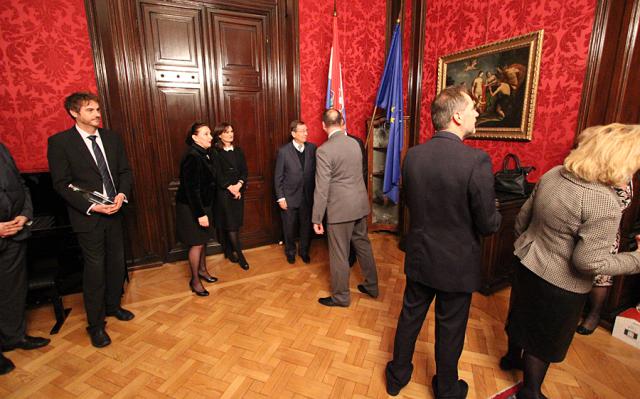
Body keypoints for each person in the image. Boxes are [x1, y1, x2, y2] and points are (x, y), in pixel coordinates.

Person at [500, 123, 640, 399]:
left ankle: (511, 359)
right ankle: (530, 392)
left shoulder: (554, 174)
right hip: (560, 285)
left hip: (526, 262)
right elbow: (587, 263)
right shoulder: (604, 201)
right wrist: (636, 259)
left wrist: (529, 251)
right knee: (544, 340)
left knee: (521, 317)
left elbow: (521, 221)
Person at [385, 86, 502, 398]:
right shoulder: (476, 161)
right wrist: (497, 214)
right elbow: (488, 224)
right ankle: (447, 389)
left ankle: (397, 376)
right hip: (456, 263)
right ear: (457, 116)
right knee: (450, 329)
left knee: (410, 316)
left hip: (421, 255)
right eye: (473, 109)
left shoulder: (412, 156)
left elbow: (410, 203)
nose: (478, 113)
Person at [47, 92, 133, 348]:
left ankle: (112, 306)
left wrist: (121, 194)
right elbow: (61, 184)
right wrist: (93, 207)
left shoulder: (111, 138)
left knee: (116, 264)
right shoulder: (60, 143)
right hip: (88, 218)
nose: (97, 114)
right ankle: (95, 325)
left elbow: (124, 171)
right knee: (95, 272)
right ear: (74, 113)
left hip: (115, 213)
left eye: (97, 109)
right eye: (90, 110)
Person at [311, 108, 378, 307]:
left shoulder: (323, 150)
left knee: (339, 253)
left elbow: (321, 188)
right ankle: (372, 286)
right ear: (342, 122)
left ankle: (341, 297)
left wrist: (316, 218)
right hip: (359, 205)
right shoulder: (355, 144)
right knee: (363, 245)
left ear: (323, 126)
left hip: (340, 210)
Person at [0, 143, 50, 375]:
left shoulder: (2, 148)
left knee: (13, 290)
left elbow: (20, 185)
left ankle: (14, 336)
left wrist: (24, 215)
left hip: (15, 233)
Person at [175, 122, 218, 297]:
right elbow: (191, 189)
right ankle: (195, 280)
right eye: (206, 134)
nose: (211, 137)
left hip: (203, 205)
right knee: (197, 242)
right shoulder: (192, 156)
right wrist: (200, 213)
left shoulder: (205, 154)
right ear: (195, 137)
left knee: (203, 240)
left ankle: (202, 271)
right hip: (191, 207)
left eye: (210, 134)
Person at [274, 120, 316, 264]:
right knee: (289, 228)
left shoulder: (312, 149)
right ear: (293, 134)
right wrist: (281, 198)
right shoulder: (283, 152)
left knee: (306, 227)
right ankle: (290, 251)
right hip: (289, 198)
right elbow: (278, 177)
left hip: (307, 197)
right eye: (302, 131)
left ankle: (304, 251)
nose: (306, 133)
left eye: (306, 130)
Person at [212, 122, 250, 270]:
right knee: (230, 224)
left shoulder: (239, 151)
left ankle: (228, 251)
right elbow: (217, 174)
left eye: (232, 131)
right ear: (220, 135)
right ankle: (240, 255)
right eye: (227, 132)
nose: (230, 134)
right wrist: (231, 188)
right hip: (224, 194)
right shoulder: (215, 152)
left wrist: (239, 186)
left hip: (238, 192)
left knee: (234, 224)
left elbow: (244, 171)